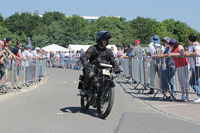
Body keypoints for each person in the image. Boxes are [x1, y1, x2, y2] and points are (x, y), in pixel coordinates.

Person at [185, 34, 200, 103]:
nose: (187, 39)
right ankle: (199, 96)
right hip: (193, 66)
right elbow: (187, 52)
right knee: (196, 82)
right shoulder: (190, 46)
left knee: (193, 82)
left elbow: (196, 53)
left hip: (197, 65)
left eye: (188, 38)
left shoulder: (196, 44)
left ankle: (199, 96)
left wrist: (188, 54)